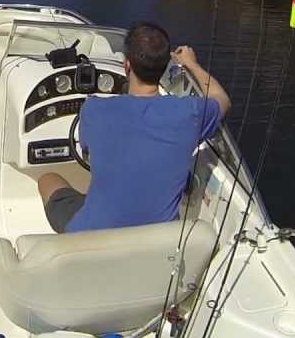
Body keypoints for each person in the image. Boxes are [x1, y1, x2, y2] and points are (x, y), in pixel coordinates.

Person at [37, 21, 232, 233]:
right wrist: (191, 64)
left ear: (127, 65)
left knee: (47, 179)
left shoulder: (93, 109)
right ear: (166, 65)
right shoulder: (191, 113)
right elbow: (221, 98)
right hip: (156, 238)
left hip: (90, 235)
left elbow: (86, 152)